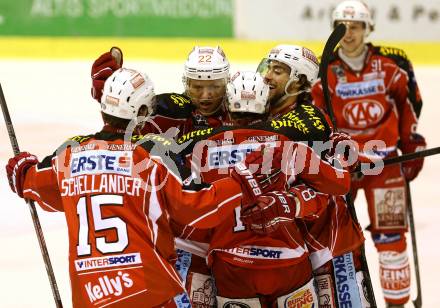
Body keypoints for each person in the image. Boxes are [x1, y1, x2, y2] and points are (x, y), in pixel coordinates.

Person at [5, 68, 266, 308]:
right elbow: (196, 208)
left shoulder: (69, 158)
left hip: (91, 295)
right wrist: (238, 184)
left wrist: (23, 169)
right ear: (142, 113)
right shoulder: (150, 157)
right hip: (147, 291)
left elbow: (31, 183)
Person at [173, 71, 356, 308]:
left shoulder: (203, 151)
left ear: (227, 105)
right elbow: (340, 184)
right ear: (267, 105)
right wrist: (338, 154)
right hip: (288, 263)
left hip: (231, 264)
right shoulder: (288, 146)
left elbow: (186, 202)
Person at [311, 1, 426, 307]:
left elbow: (409, 104)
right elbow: (316, 119)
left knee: (391, 239)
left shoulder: (392, 63)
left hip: (384, 163)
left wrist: (411, 142)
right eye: (343, 27)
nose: (349, 33)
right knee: (336, 243)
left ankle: (397, 304)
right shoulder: (324, 70)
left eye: (356, 26)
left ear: (368, 28)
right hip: (343, 167)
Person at [258, 44, 370, 307]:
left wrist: (347, 153)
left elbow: (327, 177)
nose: (266, 76)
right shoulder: (262, 109)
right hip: (290, 241)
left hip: (328, 240)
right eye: (267, 67)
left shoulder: (307, 121)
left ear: (298, 82)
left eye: (278, 71)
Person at [91, 45, 231, 137]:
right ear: (187, 83)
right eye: (198, 87)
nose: (206, 95)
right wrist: (116, 99)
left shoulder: (241, 113)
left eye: (214, 87)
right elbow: (126, 130)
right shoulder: (170, 111)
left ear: (227, 84)